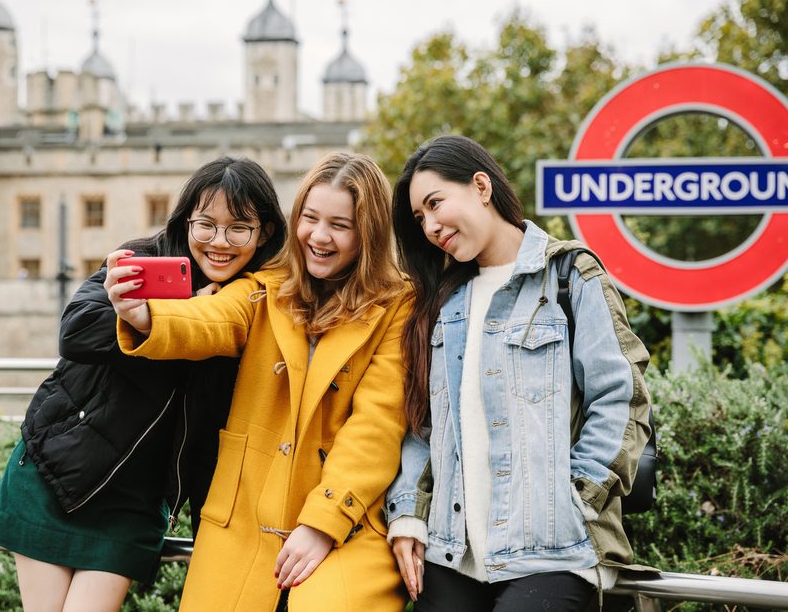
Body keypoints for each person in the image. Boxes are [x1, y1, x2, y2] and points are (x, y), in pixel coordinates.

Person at [0, 156, 287, 612]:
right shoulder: (144, 260)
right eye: (205, 225)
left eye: (238, 228)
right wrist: (170, 310)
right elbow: (76, 331)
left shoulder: (254, 303)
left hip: (134, 502)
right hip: (57, 471)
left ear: (264, 233)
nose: (219, 242)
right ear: (186, 221)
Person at [110, 152, 411, 611]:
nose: (319, 236)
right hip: (245, 515)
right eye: (310, 218)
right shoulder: (266, 285)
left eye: (340, 225)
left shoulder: (398, 304)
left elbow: (378, 424)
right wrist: (145, 316)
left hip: (347, 521)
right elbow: (213, 318)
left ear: (368, 233)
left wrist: (324, 522)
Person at [385, 135, 652, 611]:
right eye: (420, 218)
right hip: (453, 554)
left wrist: (578, 499)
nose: (430, 226)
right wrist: (408, 514)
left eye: (435, 203)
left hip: (555, 552)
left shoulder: (570, 275)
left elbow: (620, 398)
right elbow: (424, 426)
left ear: (481, 186)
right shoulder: (441, 301)